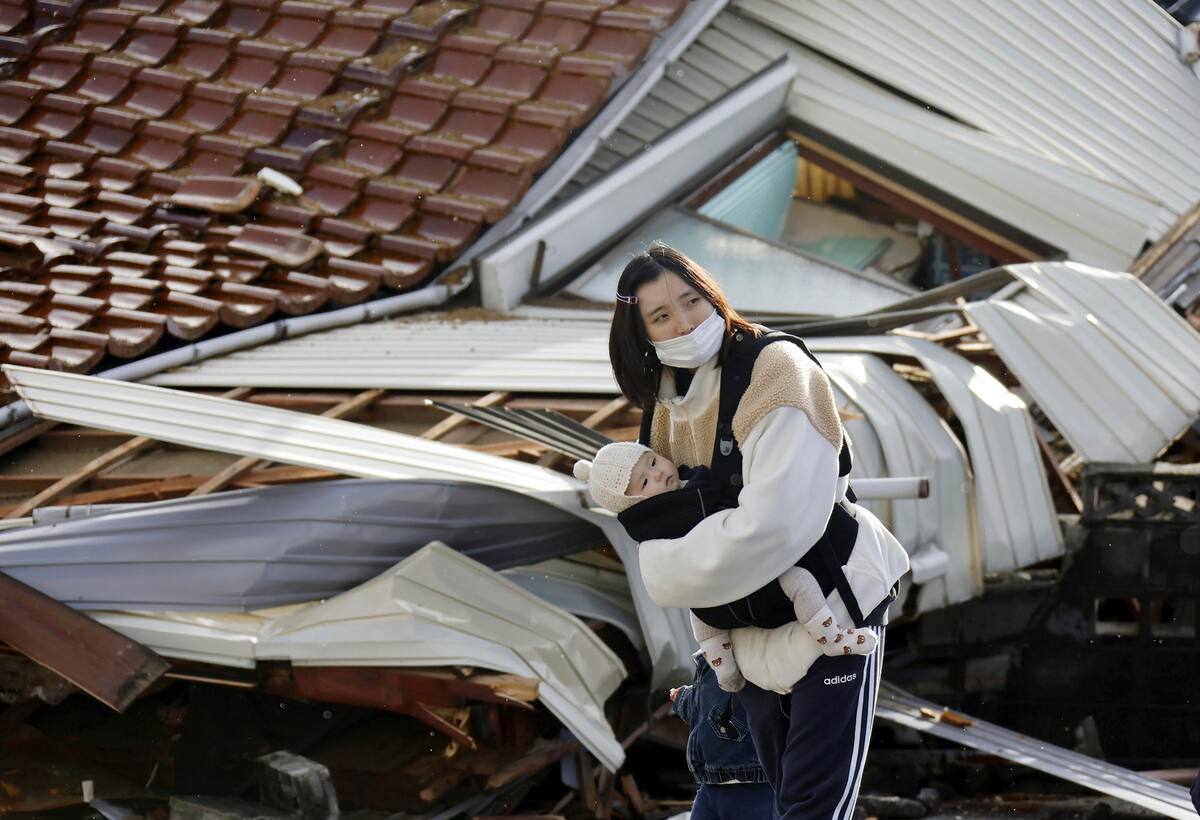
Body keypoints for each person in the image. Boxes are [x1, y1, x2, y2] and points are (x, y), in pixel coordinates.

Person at [606, 243, 910, 820]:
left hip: (833, 605)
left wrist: (675, 572)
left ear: (713, 296)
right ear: (640, 334)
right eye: (662, 316)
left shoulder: (774, 371)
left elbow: (776, 524)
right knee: (775, 789)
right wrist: (678, 564)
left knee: (814, 802)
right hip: (749, 630)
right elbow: (660, 529)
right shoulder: (668, 402)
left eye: (692, 301)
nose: (686, 322)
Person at [574, 441, 877, 694]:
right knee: (798, 580)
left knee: (701, 613)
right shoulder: (674, 509)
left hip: (716, 603)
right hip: (750, 588)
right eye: (644, 482)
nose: (658, 474)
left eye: (653, 462)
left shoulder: (670, 500)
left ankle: (725, 670)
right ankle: (830, 636)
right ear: (632, 504)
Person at [670, 654, 775, 820]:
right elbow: (708, 714)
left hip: (755, 785)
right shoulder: (710, 659)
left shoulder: (750, 653)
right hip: (711, 783)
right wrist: (682, 699)